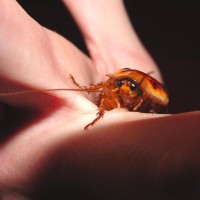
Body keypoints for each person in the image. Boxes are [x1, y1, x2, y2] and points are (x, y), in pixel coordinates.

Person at [0, 0, 199, 199]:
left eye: (130, 87)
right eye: (121, 84)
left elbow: (158, 104)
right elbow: (105, 89)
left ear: (139, 90)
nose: (123, 89)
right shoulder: (115, 85)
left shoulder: (147, 94)